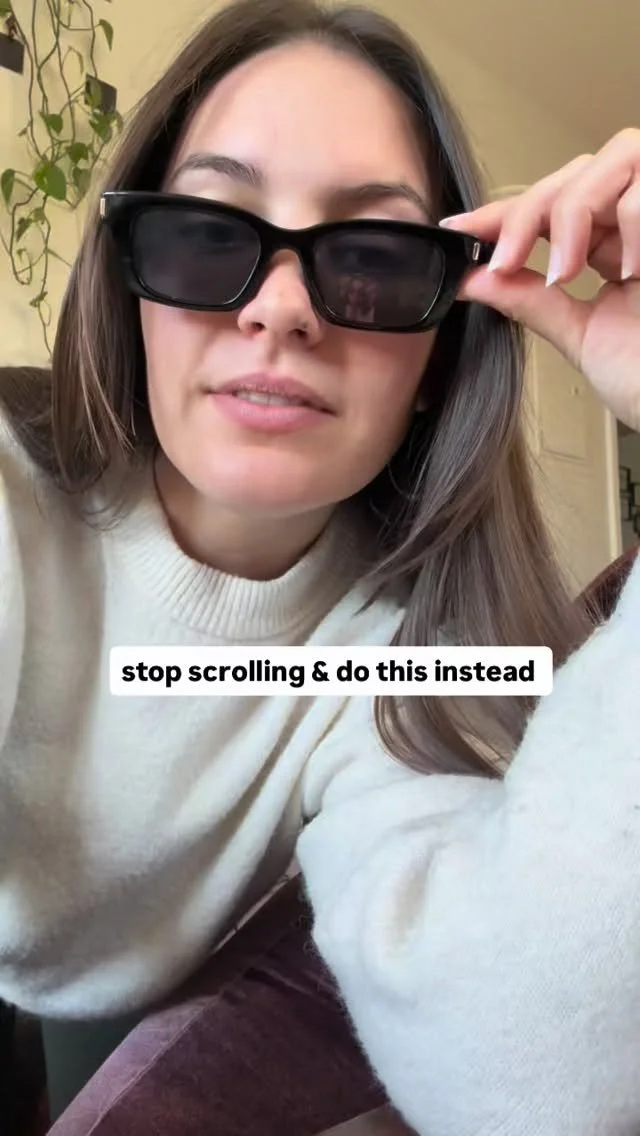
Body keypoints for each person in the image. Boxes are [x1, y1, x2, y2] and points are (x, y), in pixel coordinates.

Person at [0, 0, 639, 1129]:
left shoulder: (411, 654)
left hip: (113, 999)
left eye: (374, 260)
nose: (282, 310)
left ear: (437, 359)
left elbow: (534, 1077)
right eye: (208, 233)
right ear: (132, 287)